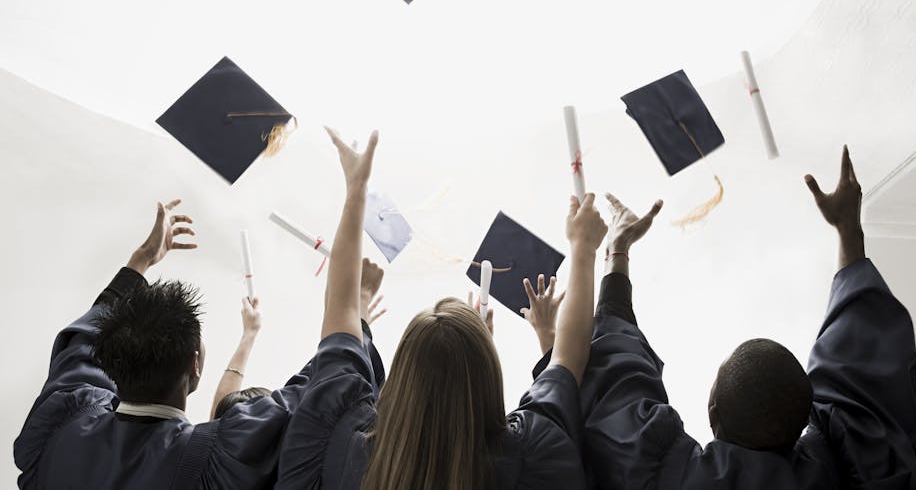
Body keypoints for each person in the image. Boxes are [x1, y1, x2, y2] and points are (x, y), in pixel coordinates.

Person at [534, 145, 916, 488]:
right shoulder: (873, 464)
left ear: (712, 414)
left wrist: (616, 249)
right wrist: (848, 231)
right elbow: (861, 361)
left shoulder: (663, 479)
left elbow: (615, 384)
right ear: (809, 414)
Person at [275, 127, 608, 489]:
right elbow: (566, 364)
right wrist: (585, 250)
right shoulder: (532, 455)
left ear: (402, 375)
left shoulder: (338, 447)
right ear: (486, 373)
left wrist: (356, 189)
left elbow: (339, 322)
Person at [14, 199, 386, 489]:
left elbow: (83, 344)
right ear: (195, 365)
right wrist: (357, 308)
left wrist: (140, 261)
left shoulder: (61, 426)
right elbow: (321, 397)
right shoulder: (222, 455)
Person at [211, 281, 386, 420]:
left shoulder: (208, 456)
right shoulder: (295, 457)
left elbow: (219, 418)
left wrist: (249, 333)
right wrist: (354, 330)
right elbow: (325, 378)